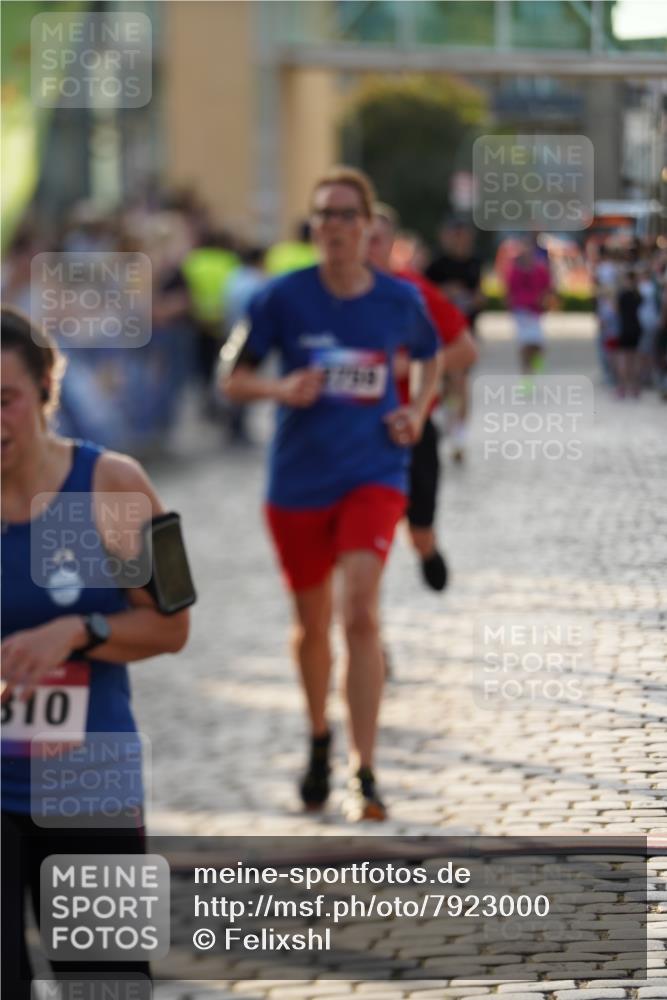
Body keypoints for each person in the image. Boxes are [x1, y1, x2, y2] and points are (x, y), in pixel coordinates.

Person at [222, 166, 440, 821]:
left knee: (360, 614)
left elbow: (431, 356)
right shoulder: (280, 298)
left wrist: (418, 410)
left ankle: (364, 769)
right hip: (296, 483)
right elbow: (231, 376)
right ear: (313, 228)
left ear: (368, 225)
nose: (335, 226)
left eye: (347, 214)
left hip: (372, 472)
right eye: (323, 214)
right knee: (311, 626)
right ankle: (319, 736)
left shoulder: (398, 301)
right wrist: (277, 390)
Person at [1, 307, 192, 997]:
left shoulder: (114, 484)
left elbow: (175, 625)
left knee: (107, 984)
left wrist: (81, 630)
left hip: (88, 786)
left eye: (5, 400)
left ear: (46, 389)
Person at [367, 204, 478, 591]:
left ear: (390, 244)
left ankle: (427, 548)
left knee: (418, 532)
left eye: (374, 238)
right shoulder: (329, 295)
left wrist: (406, 368)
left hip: (412, 431)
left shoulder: (412, 290)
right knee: (360, 552)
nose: (364, 245)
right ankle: (369, 637)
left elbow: (466, 350)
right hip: (353, 435)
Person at [425, 219, 484, 462]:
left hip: (466, 332)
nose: (460, 241)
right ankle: (451, 427)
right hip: (439, 335)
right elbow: (425, 296)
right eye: (455, 235)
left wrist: (475, 299)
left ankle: (459, 435)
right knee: (448, 386)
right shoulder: (436, 265)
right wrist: (445, 294)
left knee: (461, 382)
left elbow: (479, 296)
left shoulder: (474, 263)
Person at [506, 238, 552, 376]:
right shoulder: (515, 270)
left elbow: (548, 288)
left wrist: (546, 301)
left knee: (537, 344)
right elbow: (510, 290)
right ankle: (526, 374)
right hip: (520, 311)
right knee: (525, 345)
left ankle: (536, 362)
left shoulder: (540, 270)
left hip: (536, 311)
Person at [615, 268, 643, 397]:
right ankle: (635, 387)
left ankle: (623, 387)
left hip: (625, 329)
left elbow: (616, 310)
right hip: (636, 328)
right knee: (635, 358)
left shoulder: (623, 295)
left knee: (623, 359)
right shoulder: (638, 295)